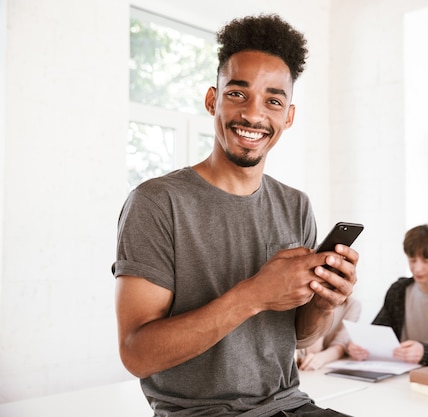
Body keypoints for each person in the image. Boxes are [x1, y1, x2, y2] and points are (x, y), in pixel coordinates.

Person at [112, 14, 359, 417]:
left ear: (288, 117)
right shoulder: (156, 202)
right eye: (237, 94)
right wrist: (254, 294)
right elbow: (136, 354)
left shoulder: (296, 205)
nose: (253, 115)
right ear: (213, 100)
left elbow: (300, 337)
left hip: (291, 405)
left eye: (273, 101)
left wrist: (325, 302)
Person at [347, 224, 428, 366]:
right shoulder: (398, 290)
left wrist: (425, 352)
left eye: (426, 261)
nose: (417, 268)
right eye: (412, 260)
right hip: (398, 370)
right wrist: (361, 347)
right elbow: (379, 332)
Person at [297, 297, 361, 371]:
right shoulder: (301, 298)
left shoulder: (351, 305)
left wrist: (321, 358)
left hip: (315, 367)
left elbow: (340, 345)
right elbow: (311, 350)